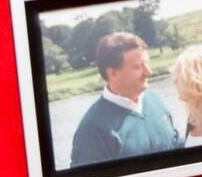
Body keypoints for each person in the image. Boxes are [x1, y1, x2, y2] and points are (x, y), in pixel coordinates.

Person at [71, 31, 181, 165]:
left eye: (147, 63)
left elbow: (176, 146)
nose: (148, 72)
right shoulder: (92, 129)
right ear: (113, 73)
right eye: (138, 67)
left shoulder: (154, 100)